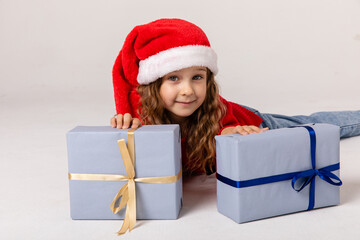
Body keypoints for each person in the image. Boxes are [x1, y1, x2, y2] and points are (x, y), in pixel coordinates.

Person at [110, 18, 360, 175]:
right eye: (174, 78)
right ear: (154, 85)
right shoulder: (142, 117)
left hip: (251, 124)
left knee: (314, 125)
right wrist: (123, 124)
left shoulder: (213, 109)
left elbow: (229, 133)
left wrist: (228, 133)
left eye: (197, 77)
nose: (187, 90)